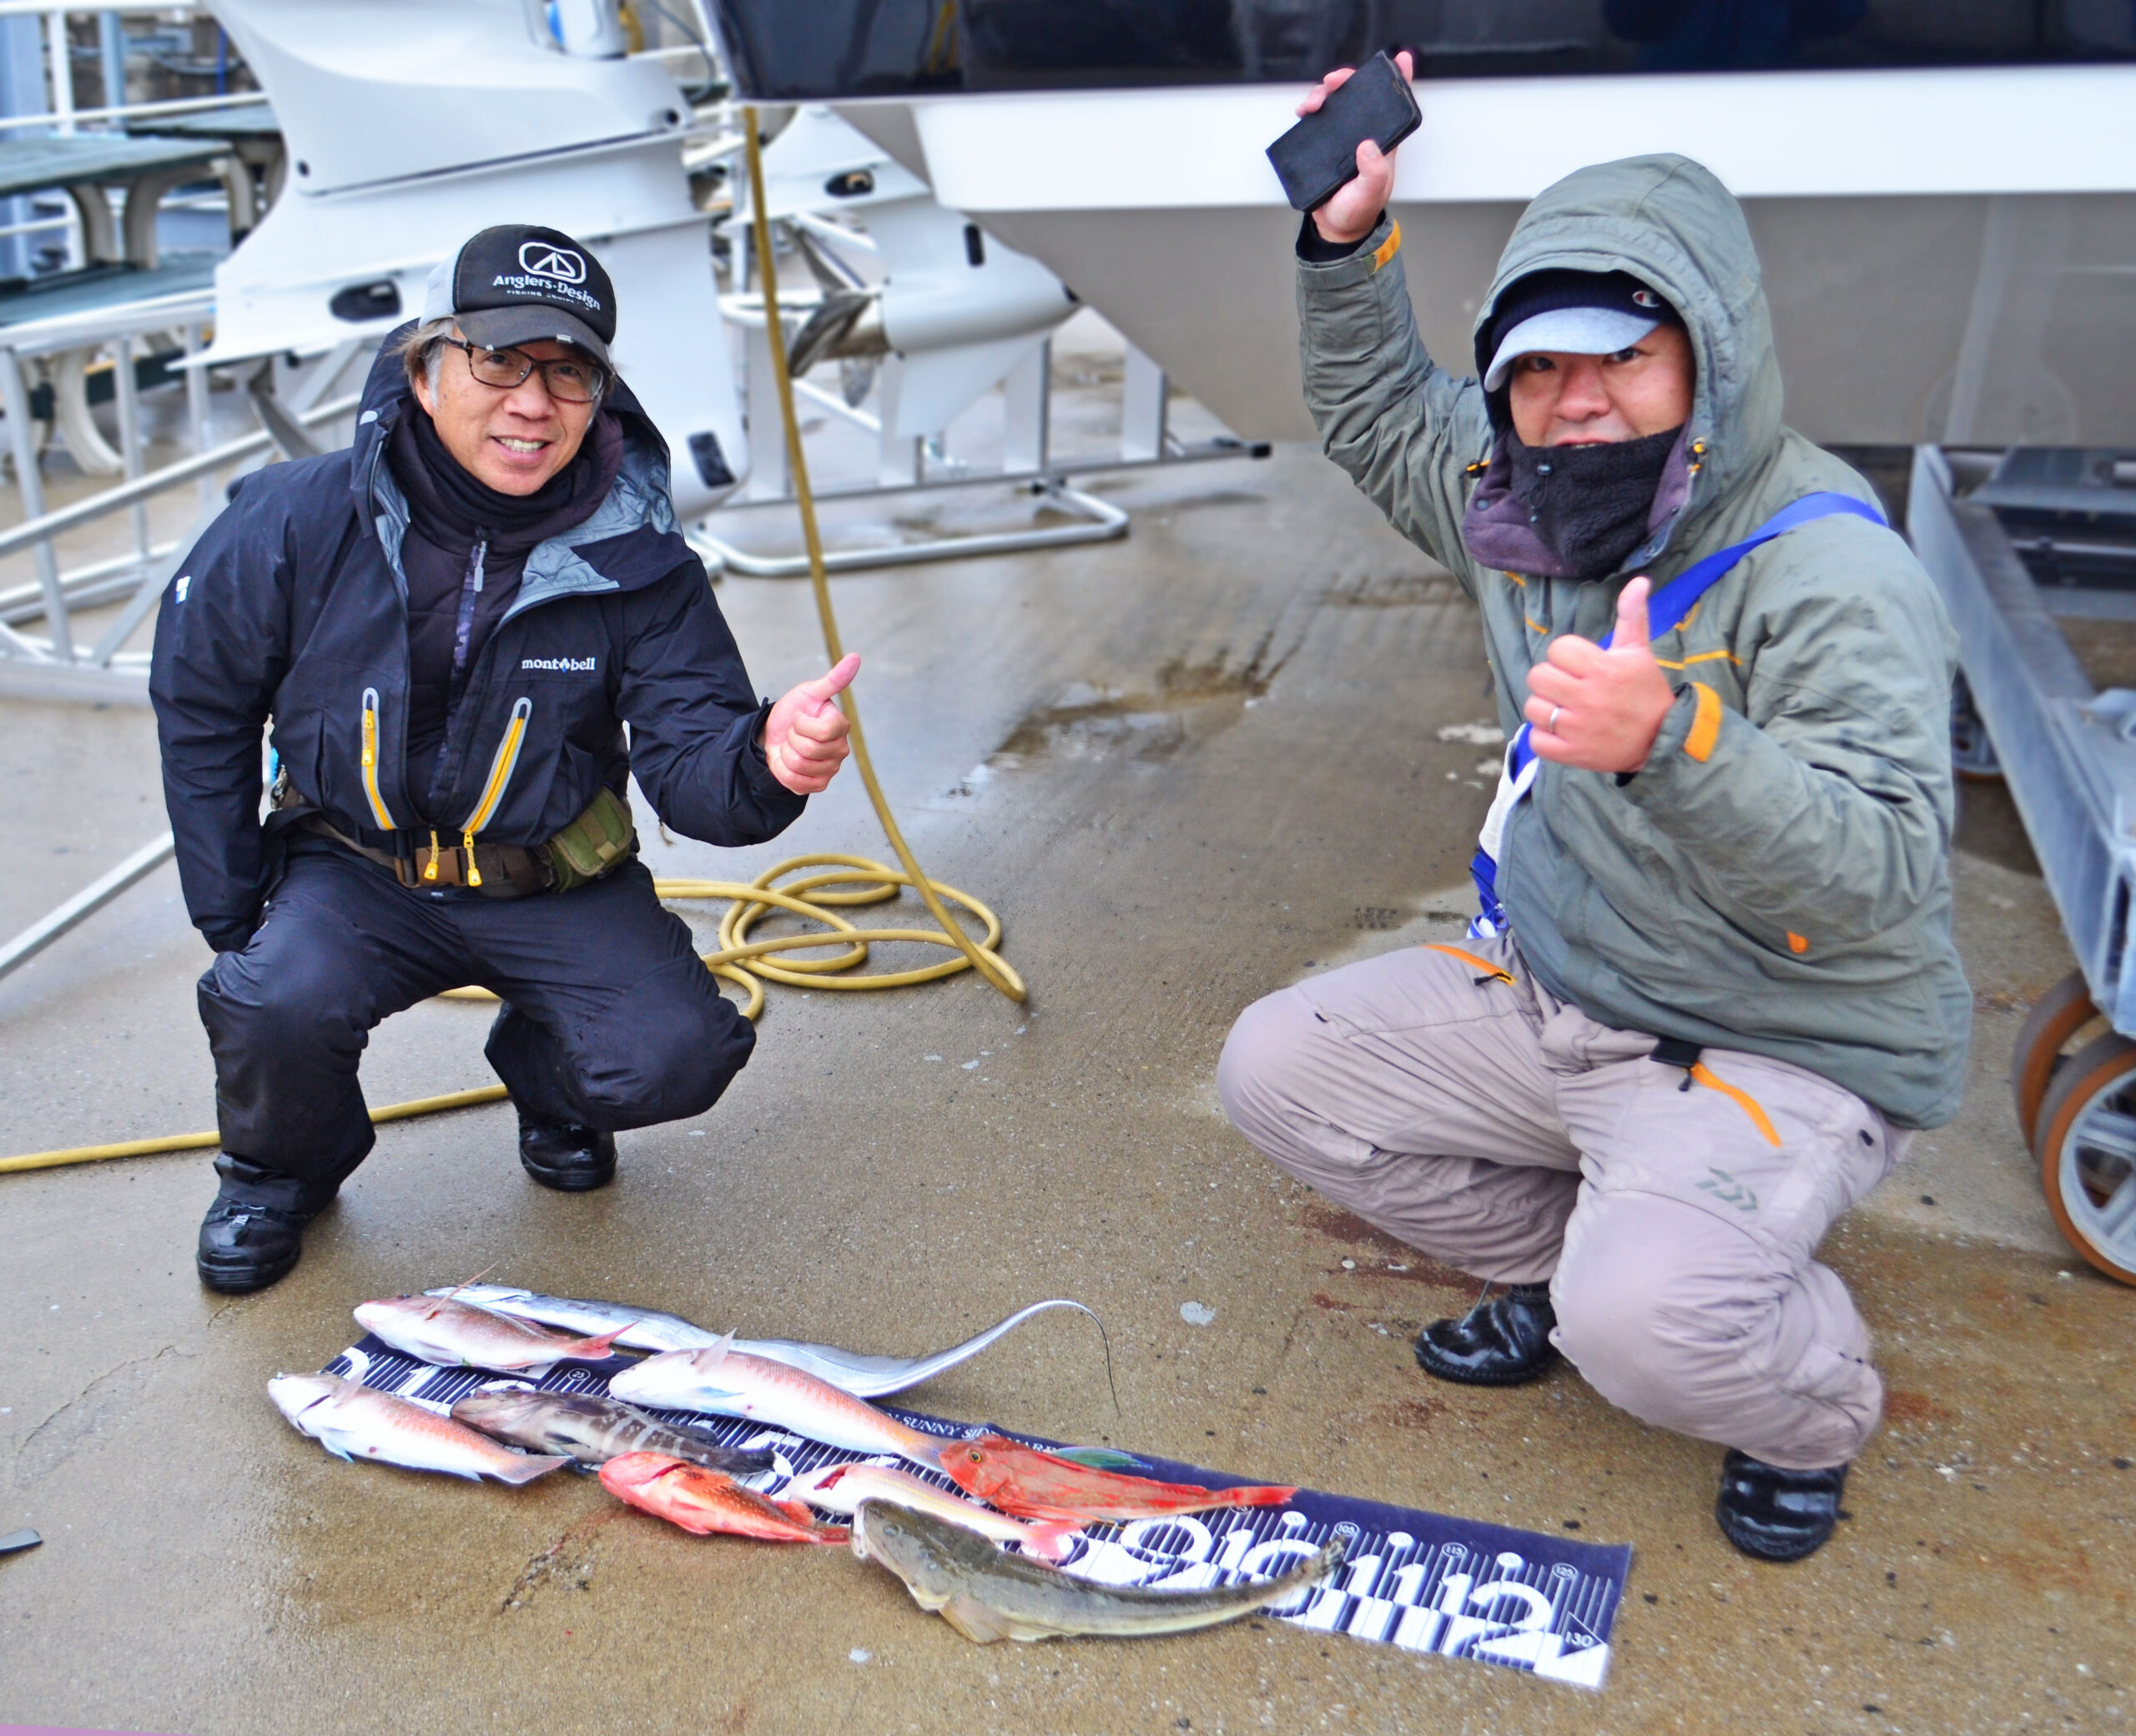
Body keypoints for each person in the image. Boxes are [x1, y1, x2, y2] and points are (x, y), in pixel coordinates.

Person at [1217, 57, 1969, 1562]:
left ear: (1712, 360)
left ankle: (1797, 1396)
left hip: (1772, 1031)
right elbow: (1375, 410)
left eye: (1623, 358)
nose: (1577, 402)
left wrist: (1674, 741)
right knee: (1277, 1071)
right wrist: (1346, 239)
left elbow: (1887, 871)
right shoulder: (1523, 499)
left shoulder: (1832, 568)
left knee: (1655, 1333)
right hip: (1565, 992)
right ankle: (1614, 1278)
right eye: (1541, 368)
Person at [153, 224, 857, 1295]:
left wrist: (768, 757)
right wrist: (233, 909)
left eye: (568, 370)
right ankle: (276, 1170)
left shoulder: (645, 563)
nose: (533, 401)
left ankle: (552, 1081)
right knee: (268, 995)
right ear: (426, 369)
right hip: (354, 870)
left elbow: (693, 772)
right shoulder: (292, 516)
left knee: (678, 1053)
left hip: (551, 876)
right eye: (499, 360)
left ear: (599, 397)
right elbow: (199, 703)